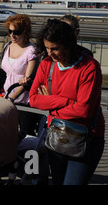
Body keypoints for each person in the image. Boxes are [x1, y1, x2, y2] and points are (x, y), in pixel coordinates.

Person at [29, 19, 105, 185]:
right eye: (47, 47)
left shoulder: (89, 67)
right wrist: (66, 101)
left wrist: (50, 103)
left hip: (86, 139)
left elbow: (83, 111)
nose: (49, 53)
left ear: (68, 45)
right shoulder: (47, 64)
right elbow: (33, 99)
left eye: (55, 48)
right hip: (56, 135)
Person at [2, 14, 40, 135]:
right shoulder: (7, 47)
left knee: (26, 133)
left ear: (25, 31)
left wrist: (12, 98)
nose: (12, 35)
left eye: (16, 31)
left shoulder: (31, 51)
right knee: (7, 133)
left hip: (23, 101)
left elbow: (28, 80)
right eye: (10, 31)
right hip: (6, 98)